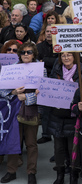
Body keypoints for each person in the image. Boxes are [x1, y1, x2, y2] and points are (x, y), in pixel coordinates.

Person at [0, 42, 45, 184]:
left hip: (32, 110)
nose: (26, 54)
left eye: (29, 52)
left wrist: (27, 97)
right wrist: (13, 92)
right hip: (14, 110)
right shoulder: (12, 68)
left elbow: (44, 92)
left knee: (31, 143)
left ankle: (31, 172)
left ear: (34, 54)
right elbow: (2, 90)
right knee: (14, 140)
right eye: (24, 52)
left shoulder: (40, 69)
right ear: (20, 54)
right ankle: (11, 171)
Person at [49, 52, 82, 184]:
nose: (66, 58)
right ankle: (59, 175)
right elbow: (50, 89)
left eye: (69, 55)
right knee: (58, 148)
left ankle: (73, 176)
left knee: (73, 149)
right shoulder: (56, 70)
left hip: (73, 116)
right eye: (63, 55)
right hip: (58, 115)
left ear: (74, 57)